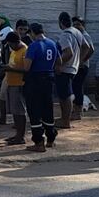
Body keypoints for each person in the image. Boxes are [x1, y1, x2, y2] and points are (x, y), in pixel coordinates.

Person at [24, 23, 61, 152]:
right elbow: (59, 63)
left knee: (34, 110)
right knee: (47, 108)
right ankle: (51, 138)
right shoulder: (52, 44)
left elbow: (27, 67)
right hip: (49, 79)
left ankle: (38, 141)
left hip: (35, 79)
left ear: (33, 33)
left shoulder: (33, 46)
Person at [54, 12, 91, 129]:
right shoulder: (77, 32)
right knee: (68, 94)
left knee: (64, 96)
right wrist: (79, 61)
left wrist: (58, 64)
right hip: (73, 68)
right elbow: (87, 47)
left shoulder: (65, 34)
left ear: (60, 23)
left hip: (65, 69)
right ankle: (65, 119)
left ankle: (65, 121)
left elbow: (68, 52)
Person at [0, 32, 28, 145]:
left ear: (16, 42)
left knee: (20, 111)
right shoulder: (14, 51)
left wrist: (10, 69)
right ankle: (17, 134)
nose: (10, 46)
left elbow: (26, 69)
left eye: (11, 44)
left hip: (20, 84)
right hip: (11, 83)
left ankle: (21, 136)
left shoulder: (25, 50)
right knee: (15, 112)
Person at [71, 16, 95, 120]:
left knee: (78, 87)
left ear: (83, 25)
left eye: (78, 24)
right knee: (75, 87)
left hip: (82, 66)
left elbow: (91, 49)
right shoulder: (76, 35)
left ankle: (78, 112)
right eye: (74, 24)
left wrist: (82, 61)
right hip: (76, 65)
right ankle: (76, 109)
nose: (76, 26)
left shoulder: (85, 35)